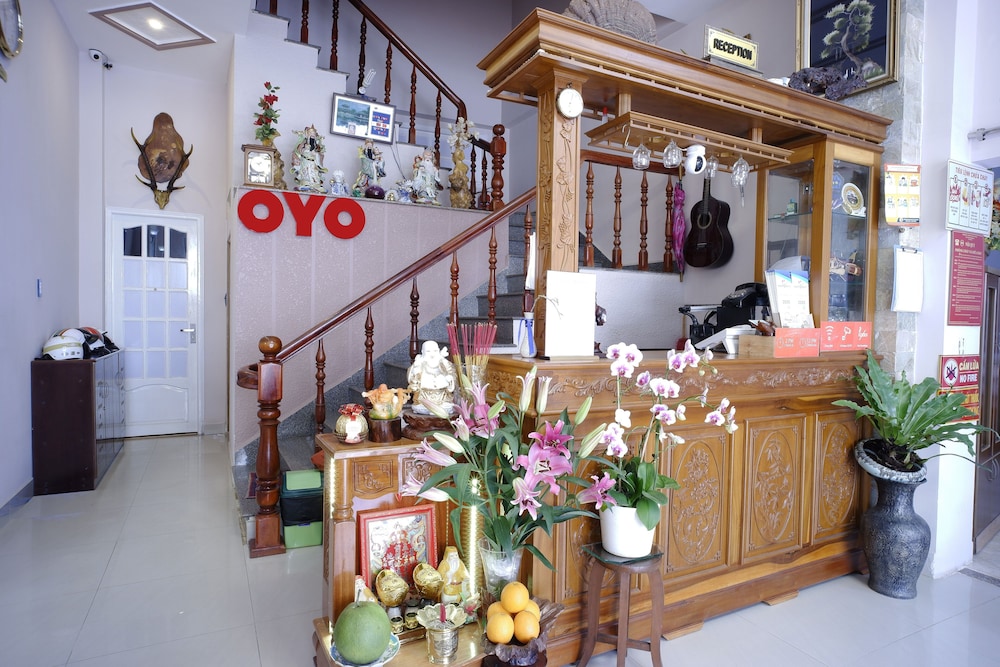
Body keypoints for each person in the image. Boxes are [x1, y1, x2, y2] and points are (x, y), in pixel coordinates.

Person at [407, 340, 456, 414]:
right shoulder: (419, 363)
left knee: (447, 407)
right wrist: (416, 371)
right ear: (422, 352)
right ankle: (428, 407)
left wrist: (449, 378)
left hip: (442, 395)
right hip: (424, 396)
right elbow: (412, 379)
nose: (432, 354)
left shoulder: (443, 362)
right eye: (428, 351)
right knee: (419, 407)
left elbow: (451, 373)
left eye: (435, 351)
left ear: (438, 351)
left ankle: (439, 407)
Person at [290, 125, 327, 193]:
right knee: (305, 175)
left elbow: (320, 154)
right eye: (311, 134)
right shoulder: (303, 143)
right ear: (307, 135)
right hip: (305, 162)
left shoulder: (316, 145)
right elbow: (298, 152)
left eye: (313, 135)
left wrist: (317, 154)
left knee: (315, 175)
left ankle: (315, 185)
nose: (312, 136)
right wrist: (304, 149)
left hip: (313, 163)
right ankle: (305, 184)